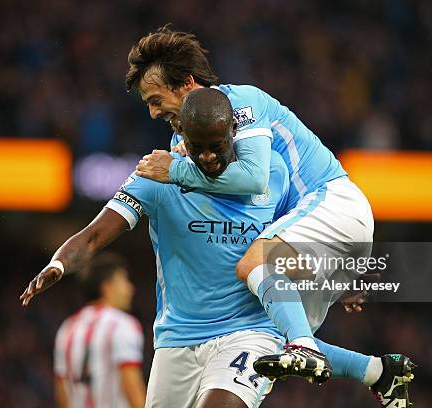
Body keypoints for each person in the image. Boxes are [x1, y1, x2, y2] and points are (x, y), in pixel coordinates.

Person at [22, 89, 412, 407]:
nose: (208, 157)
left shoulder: (269, 173)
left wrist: (335, 276)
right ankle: (376, 371)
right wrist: (58, 263)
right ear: (182, 140)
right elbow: (92, 235)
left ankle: (340, 359)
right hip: (178, 338)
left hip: (247, 332)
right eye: (198, 147)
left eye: (217, 146)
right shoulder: (156, 178)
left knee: (274, 337)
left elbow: (297, 239)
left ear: (233, 135)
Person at [127, 27, 414, 407]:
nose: (152, 111)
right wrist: (327, 273)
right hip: (309, 226)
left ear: (186, 83)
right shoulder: (186, 140)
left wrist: (175, 171)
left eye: (155, 98)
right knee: (265, 327)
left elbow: (254, 177)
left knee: (255, 264)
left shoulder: (239, 102)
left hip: (330, 201)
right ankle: (379, 373)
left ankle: (305, 349)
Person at [53, 253, 146, 408]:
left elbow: (62, 389)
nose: (131, 289)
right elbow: (132, 388)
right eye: (124, 281)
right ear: (107, 287)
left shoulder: (67, 328)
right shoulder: (122, 324)